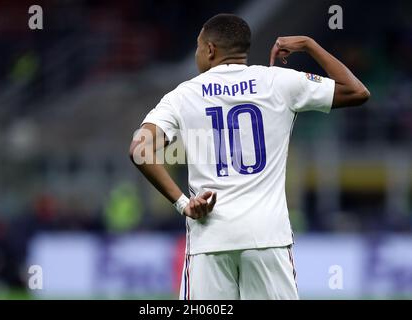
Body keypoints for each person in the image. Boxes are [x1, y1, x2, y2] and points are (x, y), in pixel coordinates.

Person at [129, 13, 370, 299]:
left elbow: (139, 149)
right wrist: (308, 45)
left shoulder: (183, 95)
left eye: (197, 46)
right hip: (268, 237)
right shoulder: (278, 82)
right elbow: (356, 91)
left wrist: (183, 203)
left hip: (210, 241)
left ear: (209, 49)